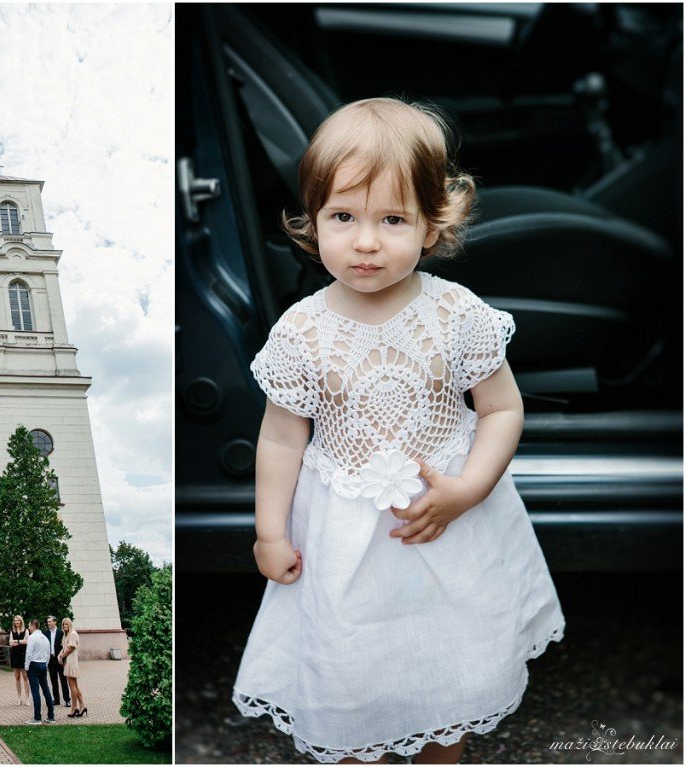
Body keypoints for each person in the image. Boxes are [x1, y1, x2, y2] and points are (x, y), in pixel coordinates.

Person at [232, 97, 565, 764]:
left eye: (392, 219)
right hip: (344, 548)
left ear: (431, 224)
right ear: (313, 222)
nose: (365, 240)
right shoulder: (300, 331)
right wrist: (270, 531)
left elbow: (502, 408)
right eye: (343, 217)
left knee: (451, 694)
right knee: (352, 693)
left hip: (450, 535)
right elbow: (280, 437)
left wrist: (468, 487)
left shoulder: (455, 314)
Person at [23, 619, 54, 724]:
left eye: (29, 626)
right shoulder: (45, 638)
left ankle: (37, 717)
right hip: (43, 665)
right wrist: (45, 664)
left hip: (34, 665)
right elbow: (48, 654)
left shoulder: (32, 638)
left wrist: (26, 667)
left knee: (35, 691)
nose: (28, 628)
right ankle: (51, 716)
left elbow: (29, 654)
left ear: (33, 626)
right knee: (46, 690)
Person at [58, 617, 86, 718]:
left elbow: (70, 649)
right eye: (63, 624)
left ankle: (74, 708)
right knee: (75, 685)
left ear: (70, 624)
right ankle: (82, 706)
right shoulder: (67, 635)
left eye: (66, 624)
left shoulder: (73, 634)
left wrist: (61, 656)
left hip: (71, 663)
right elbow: (65, 648)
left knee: (72, 685)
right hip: (68, 662)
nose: (65, 626)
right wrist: (60, 655)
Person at [44, 615, 71, 708]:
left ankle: (67, 700)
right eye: (48, 622)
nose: (48, 623)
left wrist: (62, 658)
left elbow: (64, 646)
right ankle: (56, 699)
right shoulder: (46, 633)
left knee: (63, 680)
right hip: (50, 660)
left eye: (50, 622)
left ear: (55, 622)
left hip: (59, 659)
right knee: (53, 680)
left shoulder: (61, 632)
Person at [9, 615, 30, 706]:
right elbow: (10, 643)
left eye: (18, 620)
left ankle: (27, 699)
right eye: (15, 620)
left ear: (21, 621)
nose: (17, 622)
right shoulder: (12, 631)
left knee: (25, 677)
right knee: (17, 677)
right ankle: (19, 698)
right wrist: (21, 641)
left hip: (23, 656)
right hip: (15, 656)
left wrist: (16, 641)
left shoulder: (26, 631)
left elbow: (27, 641)